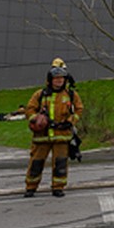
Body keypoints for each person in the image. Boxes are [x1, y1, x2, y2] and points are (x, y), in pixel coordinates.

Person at [23, 64, 84, 197]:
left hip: (62, 136)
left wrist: (70, 121)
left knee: (61, 163)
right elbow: (29, 110)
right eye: (56, 79)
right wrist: (36, 119)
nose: (59, 81)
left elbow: (79, 109)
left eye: (61, 79)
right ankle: (31, 187)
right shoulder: (40, 94)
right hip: (42, 136)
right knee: (36, 163)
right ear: (50, 80)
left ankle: (58, 188)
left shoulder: (71, 95)